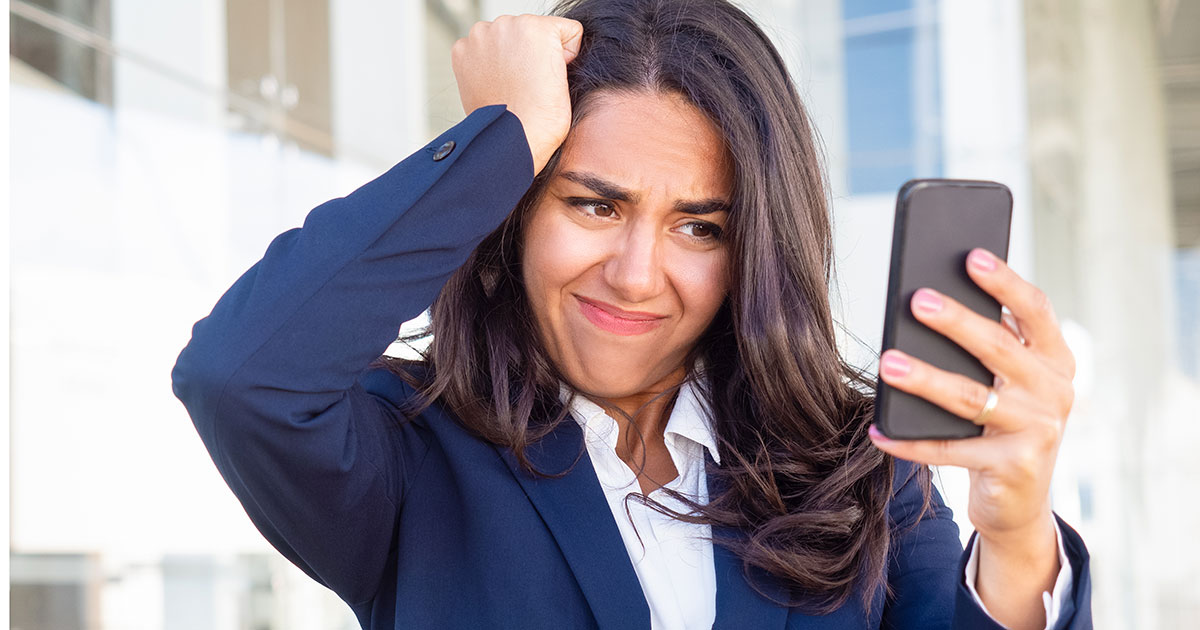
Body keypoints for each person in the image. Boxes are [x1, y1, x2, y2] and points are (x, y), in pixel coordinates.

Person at [171, 0, 1092, 628]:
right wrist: (507, 138)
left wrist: (1015, 539)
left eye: (699, 225)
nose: (637, 274)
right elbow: (240, 375)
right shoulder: (407, 454)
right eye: (594, 205)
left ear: (752, 251)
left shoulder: (861, 467)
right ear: (516, 212)